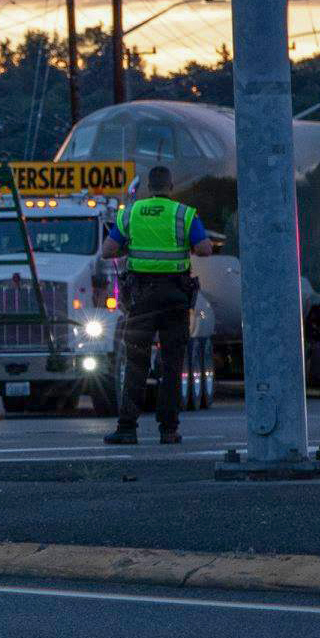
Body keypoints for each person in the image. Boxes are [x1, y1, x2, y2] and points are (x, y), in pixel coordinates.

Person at [100, 165, 212, 445]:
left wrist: (132, 248)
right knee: (172, 365)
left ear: (149, 188)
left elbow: (107, 251)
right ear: (171, 186)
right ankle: (169, 430)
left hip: (141, 299)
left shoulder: (131, 213)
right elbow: (205, 249)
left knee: (136, 363)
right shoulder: (184, 214)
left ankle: (127, 428)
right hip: (174, 297)